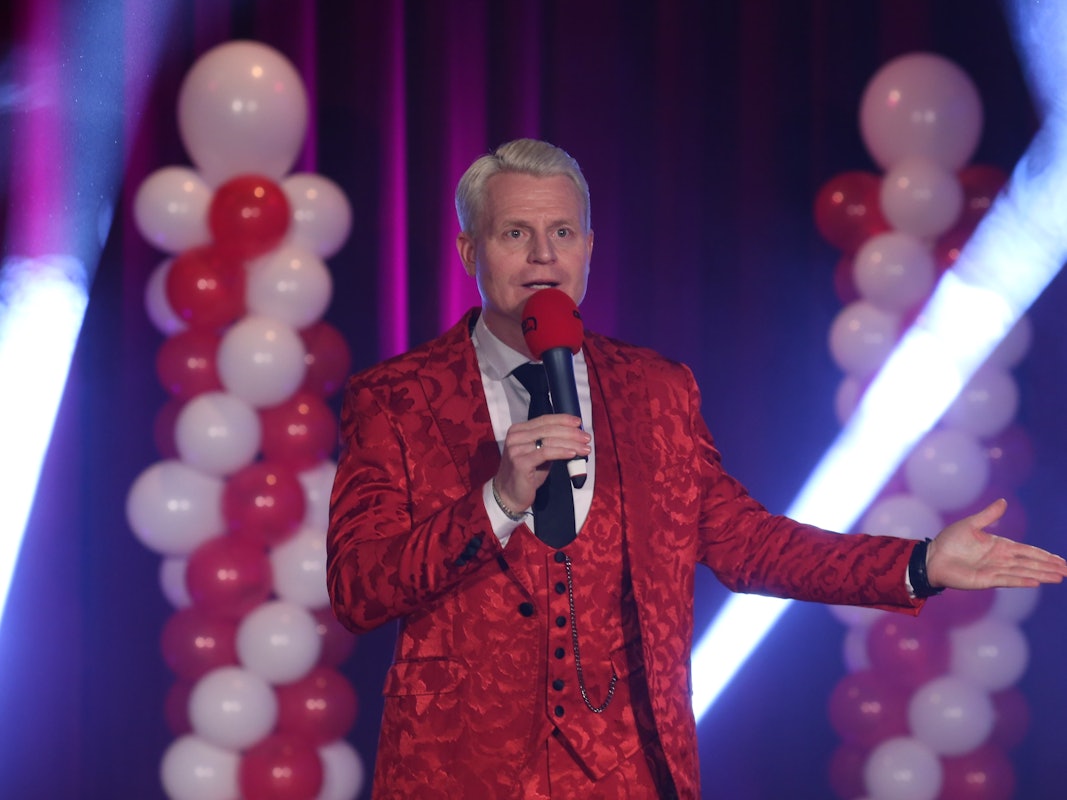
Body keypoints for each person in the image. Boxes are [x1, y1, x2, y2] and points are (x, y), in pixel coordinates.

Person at [326, 138, 1067, 799]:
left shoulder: (655, 391)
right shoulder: (394, 399)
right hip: (456, 773)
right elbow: (360, 589)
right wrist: (495, 500)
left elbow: (749, 545)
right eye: (515, 234)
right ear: (470, 252)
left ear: (588, 248)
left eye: (561, 234)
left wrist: (921, 563)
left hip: (626, 769)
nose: (542, 256)